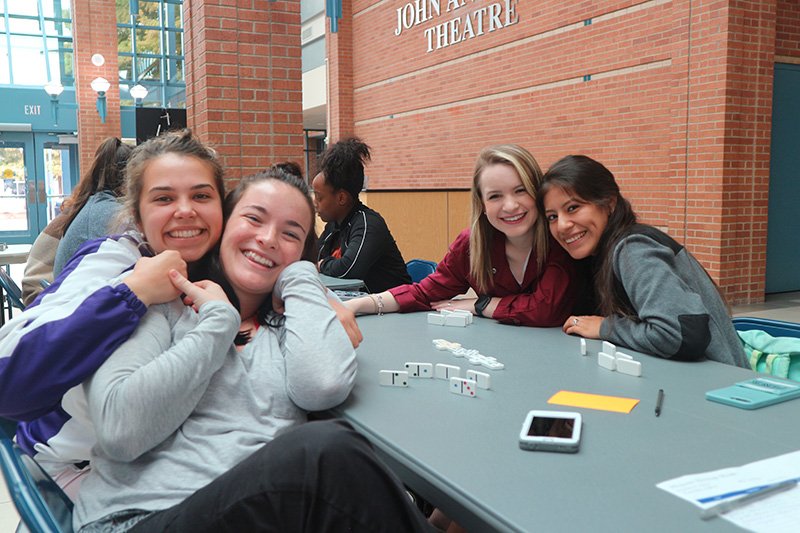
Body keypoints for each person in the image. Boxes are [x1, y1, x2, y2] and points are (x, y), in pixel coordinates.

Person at [73, 168, 430, 532]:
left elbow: (321, 385)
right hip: (136, 518)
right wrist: (218, 322)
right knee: (325, 454)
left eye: (291, 233)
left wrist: (301, 276)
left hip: (263, 516)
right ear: (224, 225)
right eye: (253, 218)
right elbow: (120, 431)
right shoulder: (163, 301)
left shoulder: (295, 321)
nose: (269, 238)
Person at [0, 129, 226, 498]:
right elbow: (7, 383)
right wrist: (133, 293)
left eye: (201, 195)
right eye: (164, 198)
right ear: (136, 215)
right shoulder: (113, 260)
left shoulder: (218, 269)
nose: (185, 210)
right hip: (76, 476)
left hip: (164, 464)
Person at [540, 154, 749, 367]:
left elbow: (681, 334)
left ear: (609, 203)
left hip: (720, 388)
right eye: (552, 217)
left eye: (573, 207)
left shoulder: (633, 250)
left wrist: (605, 327)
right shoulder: (596, 256)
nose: (562, 225)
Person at [344, 144, 588, 327]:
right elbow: (423, 293)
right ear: (482, 204)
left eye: (520, 190)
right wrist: (357, 305)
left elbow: (546, 310)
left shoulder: (559, 236)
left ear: (537, 192)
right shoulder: (472, 245)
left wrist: (480, 305)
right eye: (495, 196)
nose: (511, 205)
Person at [21, 137, 132, 305]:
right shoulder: (107, 212)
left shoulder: (86, 205)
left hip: (52, 296)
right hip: (50, 302)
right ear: (129, 179)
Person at [313, 137, 412, 292]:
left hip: (392, 310)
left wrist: (322, 265)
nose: (314, 203)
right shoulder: (334, 226)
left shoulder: (368, 224)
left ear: (341, 198)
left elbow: (348, 269)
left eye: (319, 197)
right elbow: (313, 259)